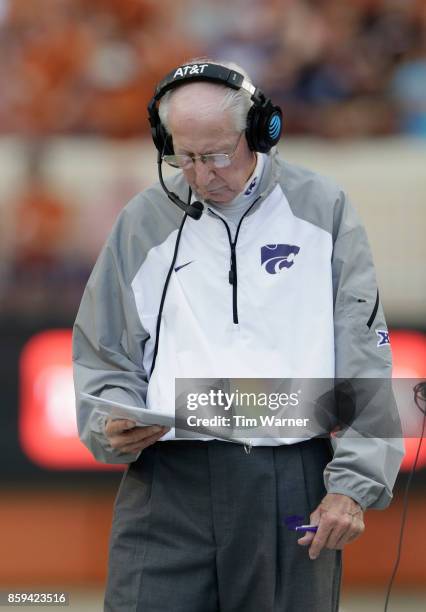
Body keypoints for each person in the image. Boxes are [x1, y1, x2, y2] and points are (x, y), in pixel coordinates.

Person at [73, 59, 404, 611]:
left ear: (260, 133)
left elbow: (364, 353)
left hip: (292, 478)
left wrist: (353, 483)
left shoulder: (323, 208)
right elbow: (103, 350)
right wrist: (109, 419)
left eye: (219, 154)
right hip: (166, 483)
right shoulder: (143, 220)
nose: (202, 175)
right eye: (185, 156)